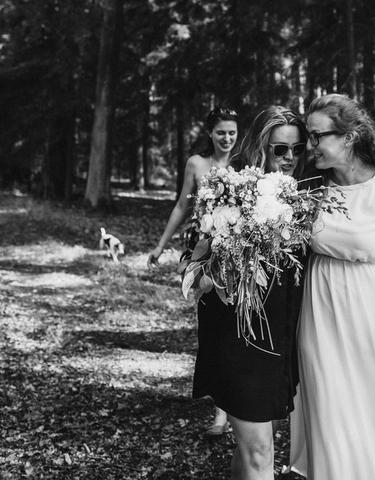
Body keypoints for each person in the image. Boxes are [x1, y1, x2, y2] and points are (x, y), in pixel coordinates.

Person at [288, 94, 375, 480]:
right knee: (330, 409)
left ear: (349, 137)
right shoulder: (308, 189)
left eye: (317, 136)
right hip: (321, 310)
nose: (309, 146)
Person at [196, 105, 309, 480]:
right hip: (241, 338)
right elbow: (201, 263)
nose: (290, 157)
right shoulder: (232, 192)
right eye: (281, 149)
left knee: (253, 450)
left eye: (297, 149)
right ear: (262, 147)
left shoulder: (304, 197)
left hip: (281, 340)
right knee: (260, 453)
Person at [147, 106, 238, 435]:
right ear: (210, 133)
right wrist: (161, 245)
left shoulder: (245, 163)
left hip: (239, 257)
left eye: (232, 132)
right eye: (221, 132)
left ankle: (230, 411)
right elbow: (182, 205)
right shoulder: (196, 164)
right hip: (206, 257)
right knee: (213, 331)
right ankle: (220, 407)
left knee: (234, 330)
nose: (226, 138)